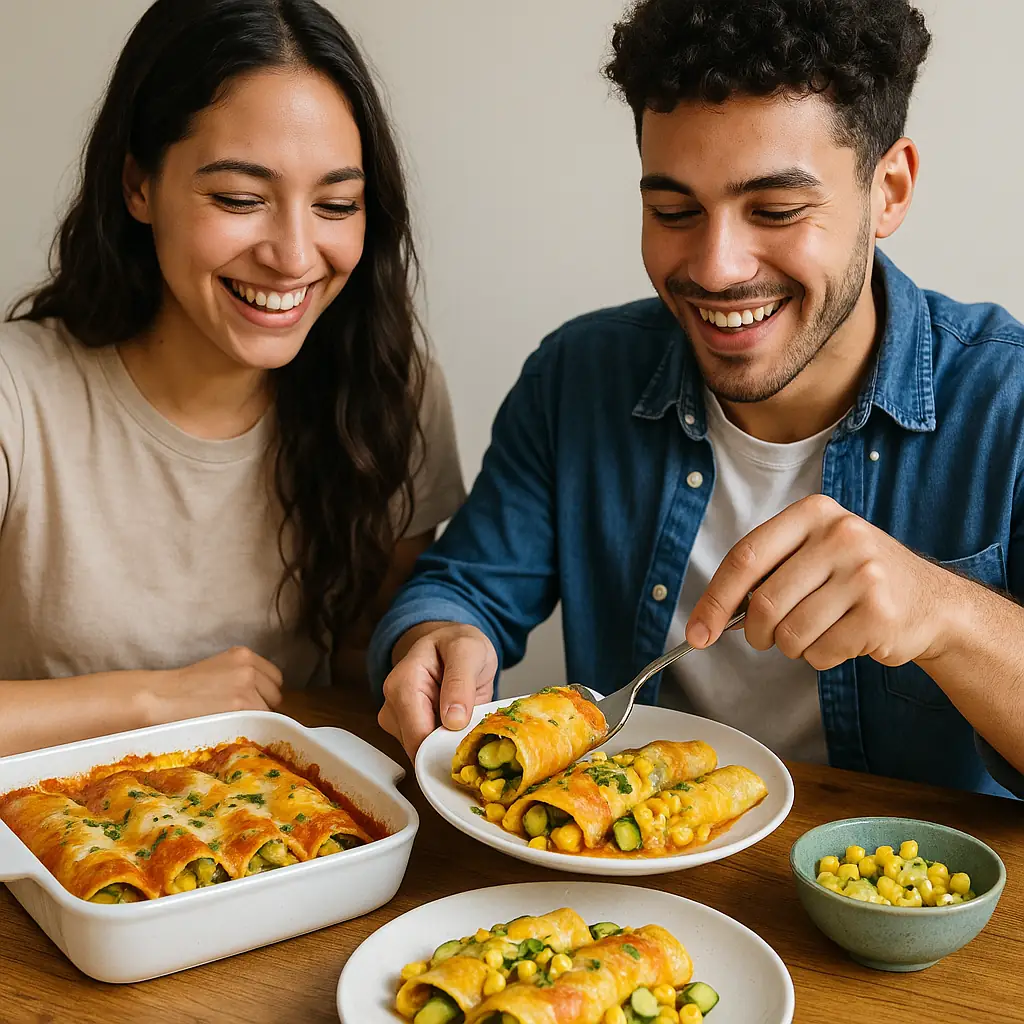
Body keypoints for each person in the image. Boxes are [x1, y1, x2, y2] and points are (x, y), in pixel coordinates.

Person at [371, 0, 1024, 798]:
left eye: (775, 212)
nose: (716, 269)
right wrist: (439, 638)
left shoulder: (1006, 401)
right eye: (672, 212)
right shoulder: (578, 376)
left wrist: (946, 615)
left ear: (889, 190)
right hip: (621, 889)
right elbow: (465, 588)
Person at [0, 0, 465, 756]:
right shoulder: (17, 398)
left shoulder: (388, 383)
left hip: (292, 834)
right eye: (240, 199)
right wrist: (149, 701)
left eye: (336, 204)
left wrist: (433, 646)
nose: (292, 254)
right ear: (139, 185)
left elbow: (365, 669)